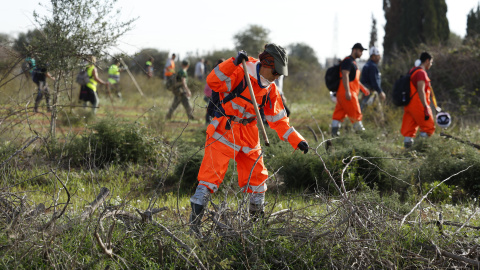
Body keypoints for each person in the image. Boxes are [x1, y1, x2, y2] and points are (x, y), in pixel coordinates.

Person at [188, 43, 309, 236]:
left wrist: (297, 140)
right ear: (267, 64)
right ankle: (193, 229)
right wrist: (232, 62)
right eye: (276, 72)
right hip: (223, 132)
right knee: (208, 181)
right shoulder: (240, 70)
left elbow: (279, 120)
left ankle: (255, 231)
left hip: (250, 136)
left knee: (258, 183)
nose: (277, 77)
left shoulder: (271, 89)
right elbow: (213, 82)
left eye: (280, 74)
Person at [331, 43, 370, 137]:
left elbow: (354, 80)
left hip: (343, 94)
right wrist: (348, 91)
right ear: (354, 50)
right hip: (348, 94)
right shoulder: (348, 61)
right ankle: (364, 139)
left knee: (338, 114)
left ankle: (334, 137)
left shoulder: (353, 62)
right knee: (356, 115)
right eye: (360, 51)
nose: (361, 53)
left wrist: (363, 88)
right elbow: (345, 75)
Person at [401, 52, 435, 148]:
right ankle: (419, 149)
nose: (431, 64)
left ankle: (408, 152)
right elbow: (421, 90)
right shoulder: (421, 73)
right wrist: (425, 107)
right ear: (427, 61)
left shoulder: (412, 70)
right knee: (428, 127)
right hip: (418, 104)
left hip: (408, 105)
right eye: (431, 62)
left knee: (409, 130)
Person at [360, 46, 386, 111]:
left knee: (364, 110)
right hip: (370, 93)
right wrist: (380, 92)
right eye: (378, 55)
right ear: (373, 56)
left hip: (366, 92)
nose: (379, 57)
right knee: (375, 113)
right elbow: (374, 81)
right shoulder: (372, 66)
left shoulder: (367, 65)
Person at [204, 58, 225, 125]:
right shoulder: (219, 71)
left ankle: (211, 121)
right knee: (212, 107)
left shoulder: (215, 70)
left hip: (216, 93)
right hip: (216, 93)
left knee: (212, 107)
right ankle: (209, 121)